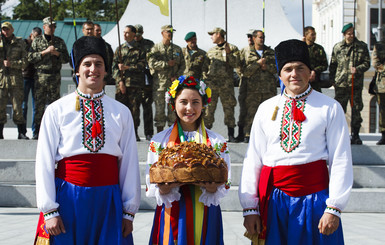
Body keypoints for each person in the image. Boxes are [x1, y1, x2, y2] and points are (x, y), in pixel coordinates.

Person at [239, 39, 353, 244]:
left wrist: (334, 207)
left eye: (300, 68)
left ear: (310, 72)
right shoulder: (266, 108)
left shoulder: (330, 107)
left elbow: (341, 159)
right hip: (275, 202)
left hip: (316, 200)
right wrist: (250, 207)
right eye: (288, 69)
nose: (294, 74)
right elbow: (253, 158)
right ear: (279, 74)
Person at [34, 36, 141, 244]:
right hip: (68, 199)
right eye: (87, 64)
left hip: (108, 200)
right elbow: (44, 161)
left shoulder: (121, 112)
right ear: (77, 70)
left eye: (99, 64)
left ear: (106, 70)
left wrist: (129, 211)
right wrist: (49, 210)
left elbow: (129, 162)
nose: (93, 69)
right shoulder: (57, 110)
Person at [145, 75, 231, 244]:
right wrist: (163, 189)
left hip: (206, 211)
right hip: (172, 210)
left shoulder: (217, 142)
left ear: (203, 104)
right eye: (183, 102)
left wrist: (213, 189)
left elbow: (225, 180)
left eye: (195, 102)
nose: (189, 108)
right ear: (173, 104)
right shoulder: (159, 141)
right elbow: (152, 179)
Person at [28, 17, 70, 139]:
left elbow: (66, 59)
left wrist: (57, 54)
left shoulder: (59, 41)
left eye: (54, 26)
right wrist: (45, 52)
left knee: (55, 104)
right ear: (44, 26)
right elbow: (30, 57)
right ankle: (37, 131)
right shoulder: (37, 41)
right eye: (49, 26)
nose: (52, 28)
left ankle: (54, 131)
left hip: (54, 76)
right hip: (41, 76)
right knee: (39, 105)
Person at [329, 23, 370, 145]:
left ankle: (355, 135)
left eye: (352, 33)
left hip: (355, 84)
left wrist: (358, 69)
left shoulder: (361, 47)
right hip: (341, 84)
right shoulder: (337, 47)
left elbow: (367, 63)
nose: (351, 35)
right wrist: (333, 81)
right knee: (340, 110)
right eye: (348, 34)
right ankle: (338, 135)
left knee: (356, 109)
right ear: (344, 34)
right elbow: (333, 65)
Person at [238, 30, 277, 143]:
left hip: (268, 89)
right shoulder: (246, 52)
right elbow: (243, 71)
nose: (262, 39)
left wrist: (267, 67)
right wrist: (257, 64)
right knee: (251, 112)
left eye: (263, 37)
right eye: (260, 37)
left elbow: (276, 69)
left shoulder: (270, 52)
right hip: (252, 90)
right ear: (254, 38)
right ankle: (248, 134)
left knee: (269, 114)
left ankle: (268, 134)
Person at [147, 25, 185, 133]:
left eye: (172, 32)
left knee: (173, 110)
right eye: (168, 32)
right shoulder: (155, 48)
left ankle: (172, 134)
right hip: (160, 84)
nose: (170, 34)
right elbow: (151, 63)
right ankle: (160, 134)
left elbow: (183, 65)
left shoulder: (177, 49)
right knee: (159, 111)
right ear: (162, 33)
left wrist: (177, 76)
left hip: (173, 84)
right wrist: (166, 64)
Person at [205, 27, 240, 142]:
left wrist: (229, 53)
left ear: (219, 34)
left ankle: (231, 134)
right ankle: (206, 133)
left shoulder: (232, 48)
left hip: (226, 85)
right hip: (212, 85)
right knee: (209, 110)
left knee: (229, 108)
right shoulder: (210, 51)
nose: (211, 37)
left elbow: (236, 64)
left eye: (213, 34)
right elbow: (205, 67)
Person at [113, 25, 146, 141]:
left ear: (133, 34)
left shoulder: (140, 49)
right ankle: (119, 132)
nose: (125, 35)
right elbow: (114, 67)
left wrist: (127, 67)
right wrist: (120, 82)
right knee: (120, 110)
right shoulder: (119, 49)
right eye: (124, 32)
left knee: (134, 110)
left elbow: (142, 66)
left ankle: (134, 132)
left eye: (127, 33)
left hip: (135, 85)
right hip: (122, 85)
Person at [0, 21, 29, 139]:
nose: (5, 32)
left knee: (17, 107)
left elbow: (25, 62)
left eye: (7, 29)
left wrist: (12, 64)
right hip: (1, 79)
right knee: (0, 106)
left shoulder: (19, 43)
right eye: (3, 30)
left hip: (15, 80)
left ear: (12, 30)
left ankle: (21, 132)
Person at [235, 29, 256, 143]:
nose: (249, 39)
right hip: (245, 85)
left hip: (258, 87)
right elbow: (239, 67)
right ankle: (241, 133)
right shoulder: (244, 51)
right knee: (243, 110)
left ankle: (250, 133)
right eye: (248, 37)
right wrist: (243, 75)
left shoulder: (263, 51)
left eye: (251, 36)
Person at [134, 24, 154, 141]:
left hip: (146, 79)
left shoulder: (149, 44)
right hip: (135, 81)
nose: (137, 37)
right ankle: (135, 132)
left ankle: (149, 132)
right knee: (134, 109)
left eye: (139, 34)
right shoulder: (131, 45)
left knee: (148, 108)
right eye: (135, 34)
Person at [22, 27, 42, 139]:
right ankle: (22, 131)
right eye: (35, 37)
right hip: (25, 76)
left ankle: (35, 131)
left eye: (39, 37)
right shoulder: (25, 44)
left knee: (37, 106)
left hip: (36, 77)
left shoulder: (40, 46)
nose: (36, 39)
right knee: (23, 105)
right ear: (31, 35)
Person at [303, 26, 328, 93]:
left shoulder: (319, 49)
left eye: (315, 34)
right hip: (302, 81)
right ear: (306, 35)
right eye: (312, 34)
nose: (314, 36)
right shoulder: (300, 48)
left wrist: (315, 71)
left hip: (315, 82)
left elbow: (325, 65)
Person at [371, 39, 385, 145]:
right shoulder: (379, 46)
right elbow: (375, 63)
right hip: (382, 85)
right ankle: (384, 135)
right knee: (383, 111)